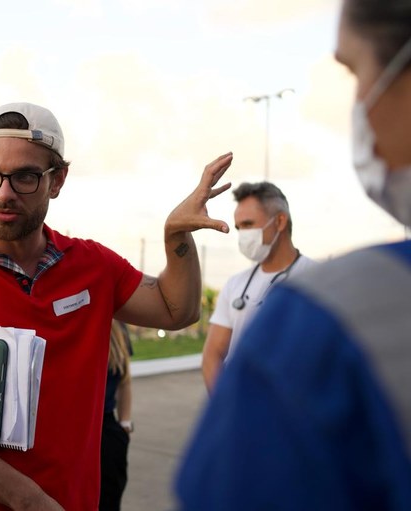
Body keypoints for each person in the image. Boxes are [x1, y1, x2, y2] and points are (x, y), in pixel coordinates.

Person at [0, 101, 234, 510]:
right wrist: (28, 500)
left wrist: (176, 237)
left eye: (25, 177)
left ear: (58, 179)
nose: (4, 194)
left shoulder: (92, 266)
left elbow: (177, 311)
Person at [177, 1, 411, 509]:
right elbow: (212, 352)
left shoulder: (329, 310)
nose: (360, 105)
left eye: (355, 72)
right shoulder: (254, 291)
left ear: (278, 222)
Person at [201, 182, 317, 392]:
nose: (242, 234)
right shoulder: (235, 285)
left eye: (248, 224)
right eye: (238, 228)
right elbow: (212, 354)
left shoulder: (318, 279)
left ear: (280, 221)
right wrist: (227, 408)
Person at [100, 320, 134, 511]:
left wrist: (125, 425)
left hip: (108, 429)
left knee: (109, 498)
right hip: (75, 429)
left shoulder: (118, 328)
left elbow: (125, 381)